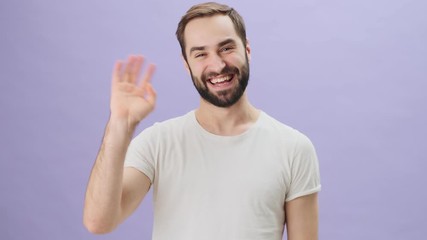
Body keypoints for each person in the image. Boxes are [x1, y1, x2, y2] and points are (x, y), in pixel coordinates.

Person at [83, 2, 321, 240]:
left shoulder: (293, 148)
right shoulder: (158, 143)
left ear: (247, 49)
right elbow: (99, 222)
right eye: (200, 54)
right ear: (186, 65)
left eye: (226, 48)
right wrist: (119, 125)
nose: (217, 65)